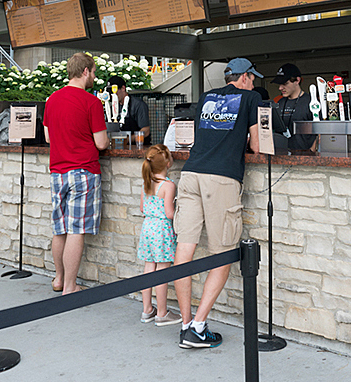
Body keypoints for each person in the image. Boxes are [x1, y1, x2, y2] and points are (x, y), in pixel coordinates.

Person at [173, 57, 261, 349]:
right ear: (245, 77)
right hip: (221, 179)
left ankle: (186, 323)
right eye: (253, 77)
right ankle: (197, 328)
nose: (254, 82)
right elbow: (258, 146)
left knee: (183, 251)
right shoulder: (251, 98)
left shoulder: (206, 97)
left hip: (190, 175)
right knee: (222, 253)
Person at [43, 52, 109, 295]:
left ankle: (59, 279)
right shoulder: (91, 102)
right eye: (93, 72)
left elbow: (49, 137)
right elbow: (101, 143)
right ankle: (70, 287)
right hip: (83, 171)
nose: (94, 77)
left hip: (57, 172)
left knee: (59, 229)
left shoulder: (52, 100)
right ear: (85, 72)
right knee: (76, 230)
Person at [138, 144, 183, 326]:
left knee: (149, 268)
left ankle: (147, 310)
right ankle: (162, 313)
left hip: (147, 227)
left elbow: (142, 208)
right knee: (163, 270)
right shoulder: (168, 185)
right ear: (168, 163)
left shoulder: (146, 182)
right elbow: (169, 213)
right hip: (162, 230)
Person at [271, 63, 318, 152]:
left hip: (306, 157)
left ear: (297, 80)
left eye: (285, 83)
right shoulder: (279, 103)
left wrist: (312, 151)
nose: (280, 88)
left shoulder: (312, 102)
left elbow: (321, 131)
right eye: (279, 84)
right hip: (282, 155)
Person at [107, 75, 151, 145]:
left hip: (138, 147)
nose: (113, 95)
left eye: (115, 91)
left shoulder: (138, 105)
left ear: (123, 88)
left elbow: (146, 131)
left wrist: (127, 140)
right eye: (111, 93)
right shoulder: (113, 106)